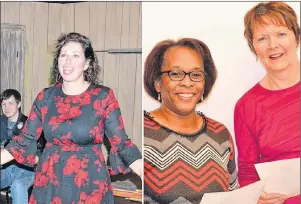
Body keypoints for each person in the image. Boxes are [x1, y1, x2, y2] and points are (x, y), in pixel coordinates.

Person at [0, 32, 142, 203]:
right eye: (63, 55)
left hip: (89, 182)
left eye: (75, 55)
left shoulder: (103, 96)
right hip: (50, 181)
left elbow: (121, 143)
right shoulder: (45, 97)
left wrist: (146, 173)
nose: (67, 61)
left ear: (87, 63)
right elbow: (23, 141)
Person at [143, 38, 239, 204]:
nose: (187, 83)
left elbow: (234, 193)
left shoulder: (220, 134)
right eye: (176, 74)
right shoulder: (142, 134)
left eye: (196, 75)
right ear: (158, 82)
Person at [234, 2, 300, 204]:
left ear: (296, 37)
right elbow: (247, 173)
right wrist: (256, 198)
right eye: (262, 38)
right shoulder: (246, 107)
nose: (273, 45)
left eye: (281, 34)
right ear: (254, 47)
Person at [0, 89, 45, 204]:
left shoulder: (29, 124)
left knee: (18, 186)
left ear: (19, 104)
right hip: (5, 169)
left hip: (27, 170)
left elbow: (41, 149)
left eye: (11, 103)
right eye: (4, 104)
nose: (7, 107)